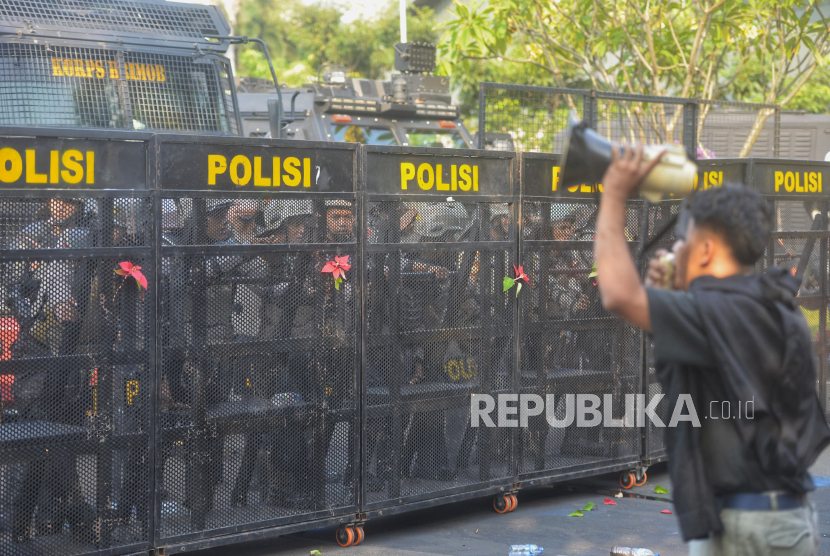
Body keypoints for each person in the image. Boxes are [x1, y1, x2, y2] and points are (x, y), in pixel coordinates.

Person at [594, 145, 830, 556]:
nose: (677, 249)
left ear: (705, 251)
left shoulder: (716, 311)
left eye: (685, 240)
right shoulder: (770, 303)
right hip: (780, 521)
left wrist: (613, 194)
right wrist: (674, 296)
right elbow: (710, 354)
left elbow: (617, 294)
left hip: (746, 532)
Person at [5, 197, 96, 544]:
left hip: (73, 356)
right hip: (38, 351)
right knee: (44, 439)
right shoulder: (32, 235)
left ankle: (40, 520)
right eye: (55, 198)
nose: (60, 206)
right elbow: (15, 288)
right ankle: (76, 516)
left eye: (68, 200)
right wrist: (39, 317)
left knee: (59, 442)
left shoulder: (90, 233)